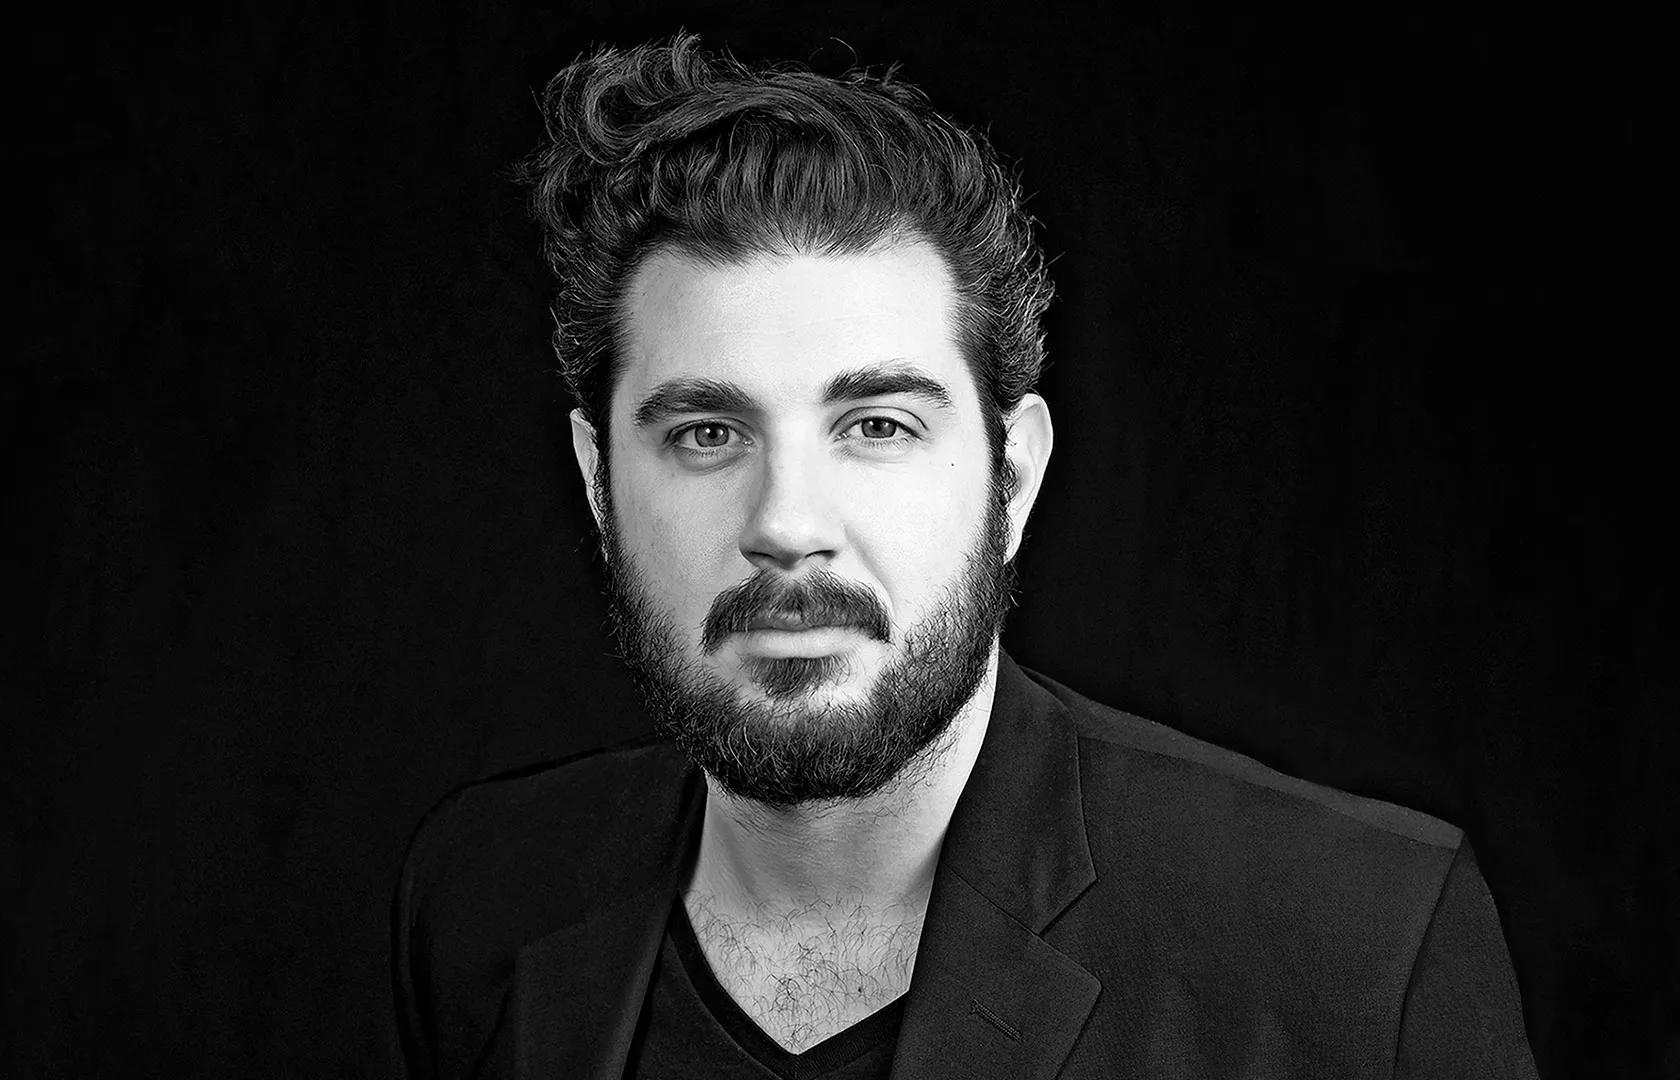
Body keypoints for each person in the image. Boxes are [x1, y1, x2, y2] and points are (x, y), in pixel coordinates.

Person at [392, 33, 1537, 1079]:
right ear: (599, 481)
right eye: (707, 434)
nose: (788, 522)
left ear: (1014, 476)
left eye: (877, 426)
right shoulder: (483, 895)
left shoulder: (1360, 947)